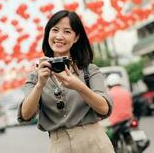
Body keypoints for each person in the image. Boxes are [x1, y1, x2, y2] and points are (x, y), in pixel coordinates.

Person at [17, 10, 114, 153]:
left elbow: (104, 108)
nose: (59, 36)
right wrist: (40, 85)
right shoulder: (36, 76)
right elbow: (26, 115)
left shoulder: (89, 70)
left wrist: (80, 87)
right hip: (59, 146)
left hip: (94, 142)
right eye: (55, 30)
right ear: (48, 34)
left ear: (76, 38)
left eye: (67, 32)